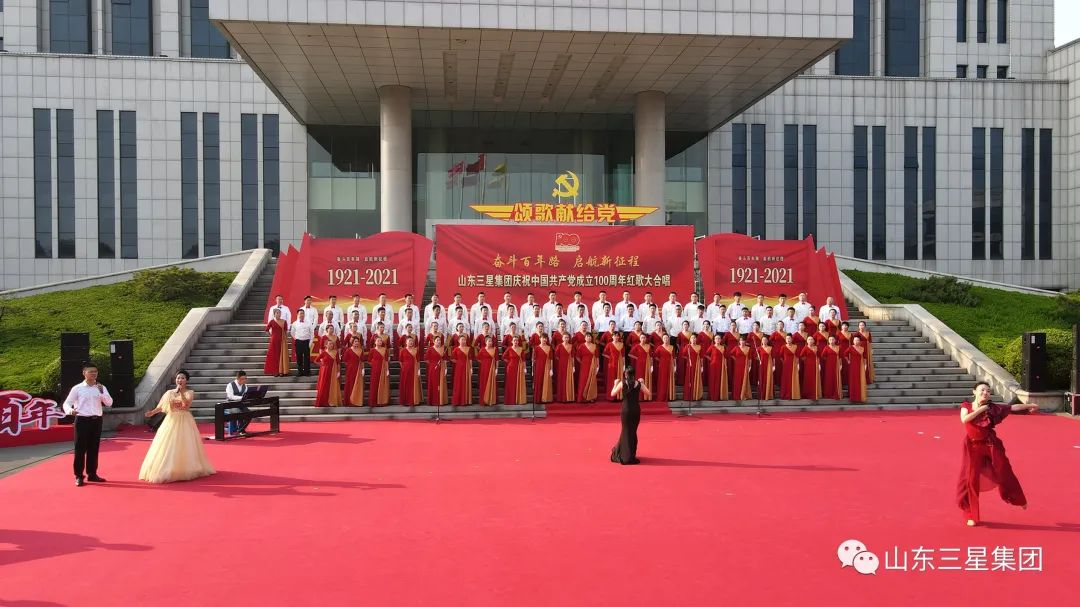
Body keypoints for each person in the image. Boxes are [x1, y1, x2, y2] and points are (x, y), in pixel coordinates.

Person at [957, 382, 1038, 526]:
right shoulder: (966, 406)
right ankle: (971, 515)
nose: (985, 393)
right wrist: (981, 409)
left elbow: (1012, 407)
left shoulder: (992, 408)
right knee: (970, 479)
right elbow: (965, 419)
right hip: (972, 447)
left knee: (1004, 470)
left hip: (991, 444)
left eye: (988, 391)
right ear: (974, 391)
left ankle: (1018, 499)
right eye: (982, 390)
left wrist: (1030, 405)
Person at [139, 370, 215, 484]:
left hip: (185, 420)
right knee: (167, 443)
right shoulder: (169, 393)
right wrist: (152, 412)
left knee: (185, 443)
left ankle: (186, 468)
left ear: (186, 380)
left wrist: (181, 393)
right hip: (171, 420)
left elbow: (186, 406)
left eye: (183, 378)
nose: (180, 380)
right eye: (178, 378)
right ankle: (166, 468)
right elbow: (162, 406)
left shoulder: (190, 392)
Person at [62, 364, 113, 486]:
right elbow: (66, 403)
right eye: (91, 372)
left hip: (96, 420)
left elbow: (109, 403)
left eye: (95, 372)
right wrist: (70, 411)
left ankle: (92, 474)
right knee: (80, 449)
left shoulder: (101, 387)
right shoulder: (77, 388)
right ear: (84, 373)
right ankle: (79, 476)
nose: (94, 374)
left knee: (93, 448)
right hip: (82, 420)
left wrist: (102, 392)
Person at [609, 365, 651, 465]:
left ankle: (625, 455)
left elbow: (612, 394)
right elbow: (648, 393)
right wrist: (643, 383)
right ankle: (629, 453)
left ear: (626, 374)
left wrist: (615, 384)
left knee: (625, 431)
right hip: (635, 410)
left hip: (626, 410)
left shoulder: (622, 383)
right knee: (632, 432)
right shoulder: (638, 384)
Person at [314, 337, 343, 407]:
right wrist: (322, 365)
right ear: (326, 345)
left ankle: (332, 401)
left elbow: (338, 363)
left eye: (332, 344)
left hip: (333, 372)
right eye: (329, 344)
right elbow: (316, 360)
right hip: (325, 372)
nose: (331, 345)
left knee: (332, 386)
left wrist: (338, 371)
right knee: (325, 386)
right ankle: (324, 401)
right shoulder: (324, 353)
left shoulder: (335, 352)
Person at [224, 370, 251, 436]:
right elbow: (230, 396)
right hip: (230, 405)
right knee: (240, 413)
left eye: (245, 379)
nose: (244, 380)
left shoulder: (245, 386)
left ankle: (241, 429)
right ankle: (240, 430)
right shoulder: (230, 385)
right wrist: (241, 398)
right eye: (242, 379)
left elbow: (245, 396)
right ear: (238, 378)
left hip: (240, 404)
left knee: (250, 414)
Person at [264, 308, 290, 377]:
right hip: (274, 341)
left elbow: (285, 331)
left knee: (281, 355)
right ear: (274, 314)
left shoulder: (284, 322)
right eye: (277, 313)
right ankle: (275, 371)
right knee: (274, 356)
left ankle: (282, 371)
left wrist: (285, 339)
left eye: (279, 313)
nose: (279, 314)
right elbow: (266, 330)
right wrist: (272, 336)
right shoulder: (272, 321)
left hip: (282, 341)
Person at [575, 333, 600, 403]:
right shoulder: (581, 346)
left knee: (592, 380)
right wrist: (582, 362)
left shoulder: (594, 346)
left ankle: (591, 397)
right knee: (583, 380)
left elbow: (597, 357)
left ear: (591, 338)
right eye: (587, 336)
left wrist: (598, 366)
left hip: (593, 365)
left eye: (590, 336)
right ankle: (582, 398)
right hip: (584, 366)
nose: (589, 338)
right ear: (585, 338)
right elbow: (577, 357)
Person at [502, 335, 528, 405]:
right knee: (510, 384)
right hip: (510, 368)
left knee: (518, 383)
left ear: (518, 342)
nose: (516, 342)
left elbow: (523, 360)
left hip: (519, 368)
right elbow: (503, 357)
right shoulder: (509, 349)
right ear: (512, 341)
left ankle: (519, 399)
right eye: (514, 340)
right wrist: (509, 362)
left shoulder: (521, 349)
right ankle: (510, 400)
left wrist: (525, 368)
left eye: (517, 340)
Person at [425, 335, 449, 406]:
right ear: (433, 341)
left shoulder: (443, 349)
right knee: (434, 383)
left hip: (442, 367)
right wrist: (433, 364)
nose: (439, 341)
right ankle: (433, 400)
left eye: (440, 340)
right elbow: (426, 360)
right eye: (437, 340)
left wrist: (445, 368)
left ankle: (441, 400)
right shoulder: (430, 349)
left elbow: (445, 360)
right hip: (433, 368)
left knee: (441, 383)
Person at [368, 336, 391, 406]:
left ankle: (382, 400)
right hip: (375, 369)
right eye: (378, 341)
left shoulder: (384, 349)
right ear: (375, 342)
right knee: (375, 384)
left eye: (380, 341)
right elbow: (369, 360)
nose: (379, 342)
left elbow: (386, 360)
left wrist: (387, 369)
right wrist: (374, 364)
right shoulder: (372, 350)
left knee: (383, 384)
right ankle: (374, 401)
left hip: (383, 369)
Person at [704, 334, 729, 401]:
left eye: (719, 338)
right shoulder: (712, 347)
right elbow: (706, 354)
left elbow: (726, 357)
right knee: (713, 379)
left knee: (719, 380)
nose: (718, 340)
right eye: (716, 338)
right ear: (714, 340)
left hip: (721, 366)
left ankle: (719, 396)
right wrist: (711, 359)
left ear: (721, 340)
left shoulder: (723, 347)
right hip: (713, 365)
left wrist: (725, 365)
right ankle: (712, 396)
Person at [553, 333, 576, 403]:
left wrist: (573, 366)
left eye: (567, 337)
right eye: (565, 337)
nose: (566, 339)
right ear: (562, 338)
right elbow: (556, 356)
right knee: (562, 380)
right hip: (561, 366)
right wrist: (562, 361)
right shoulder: (559, 346)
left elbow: (572, 357)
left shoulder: (571, 346)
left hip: (569, 365)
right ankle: (561, 398)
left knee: (569, 380)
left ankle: (569, 397)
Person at [343, 336, 365, 407]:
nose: (356, 342)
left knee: (358, 384)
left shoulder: (361, 350)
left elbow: (362, 361)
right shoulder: (348, 350)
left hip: (359, 369)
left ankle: (357, 401)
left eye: (357, 341)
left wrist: (363, 369)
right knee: (350, 384)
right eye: (355, 341)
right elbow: (345, 360)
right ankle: (350, 401)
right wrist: (350, 366)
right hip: (350, 370)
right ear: (352, 342)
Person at [653, 333, 676, 402]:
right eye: (664, 338)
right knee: (663, 380)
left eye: (667, 338)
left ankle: (670, 396)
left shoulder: (672, 347)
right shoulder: (659, 347)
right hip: (662, 365)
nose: (666, 339)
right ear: (662, 339)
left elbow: (674, 357)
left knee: (670, 379)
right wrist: (661, 360)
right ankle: (662, 396)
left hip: (670, 365)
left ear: (669, 339)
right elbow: (655, 356)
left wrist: (675, 366)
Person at [532, 333, 555, 404]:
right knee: (539, 382)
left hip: (547, 367)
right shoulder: (536, 348)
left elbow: (551, 359)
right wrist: (533, 370)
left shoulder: (549, 348)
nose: (544, 339)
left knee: (546, 382)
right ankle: (538, 399)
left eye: (545, 338)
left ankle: (546, 398)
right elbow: (534, 359)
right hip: (538, 367)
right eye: (543, 338)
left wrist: (551, 369)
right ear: (540, 339)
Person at [604, 331, 626, 402]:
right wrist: (611, 360)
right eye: (614, 336)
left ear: (619, 337)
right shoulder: (609, 344)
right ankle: (612, 396)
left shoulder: (622, 344)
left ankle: (620, 396)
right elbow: (605, 354)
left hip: (620, 364)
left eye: (617, 336)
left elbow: (623, 356)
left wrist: (624, 364)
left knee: (620, 378)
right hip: (611, 364)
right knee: (612, 379)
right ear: (612, 337)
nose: (616, 337)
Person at [845, 335, 868, 403]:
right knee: (853, 380)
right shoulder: (850, 347)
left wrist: (865, 364)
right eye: (855, 340)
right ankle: (853, 396)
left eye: (858, 340)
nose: (856, 341)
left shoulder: (862, 348)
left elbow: (865, 357)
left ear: (860, 341)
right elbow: (845, 354)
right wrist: (848, 361)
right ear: (853, 341)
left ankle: (860, 396)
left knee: (860, 380)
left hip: (860, 365)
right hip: (852, 366)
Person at [477, 336, 499, 406]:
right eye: (489, 341)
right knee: (484, 383)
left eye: (491, 341)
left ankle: (491, 399)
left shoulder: (494, 350)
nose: (490, 342)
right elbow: (478, 359)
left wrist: (496, 369)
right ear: (485, 342)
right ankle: (484, 400)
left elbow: (497, 360)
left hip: (492, 369)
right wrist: (484, 363)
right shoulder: (482, 350)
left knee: (492, 382)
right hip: (484, 369)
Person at [682, 333, 704, 401]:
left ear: (696, 339)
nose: (693, 339)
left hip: (697, 365)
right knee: (689, 379)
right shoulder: (687, 346)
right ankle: (689, 396)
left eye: (694, 338)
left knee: (696, 378)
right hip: (690, 365)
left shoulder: (699, 347)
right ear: (690, 339)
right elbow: (683, 355)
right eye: (692, 338)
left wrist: (702, 366)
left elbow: (701, 357)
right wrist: (688, 360)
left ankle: (697, 395)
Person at [729, 337, 753, 401]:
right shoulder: (736, 348)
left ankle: (744, 394)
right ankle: (736, 395)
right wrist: (735, 359)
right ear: (739, 341)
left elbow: (750, 358)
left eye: (743, 340)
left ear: (745, 342)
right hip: (737, 366)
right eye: (741, 340)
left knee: (744, 379)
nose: (742, 342)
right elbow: (731, 354)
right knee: (737, 379)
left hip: (745, 365)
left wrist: (750, 366)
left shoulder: (748, 348)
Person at [291, 309, 314, 376]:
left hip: (306, 342)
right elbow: (292, 333)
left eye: (303, 313)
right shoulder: (295, 323)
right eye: (300, 313)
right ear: (297, 315)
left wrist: (310, 343)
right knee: (299, 357)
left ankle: (307, 372)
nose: (302, 315)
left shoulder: (309, 323)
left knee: (307, 358)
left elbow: (312, 333)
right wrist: (297, 339)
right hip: (298, 342)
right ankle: (300, 372)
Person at [451, 338, 474, 406]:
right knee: (458, 383)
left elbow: (470, 359)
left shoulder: (469, 348)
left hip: (467, 367)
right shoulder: (456, 349)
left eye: (464, 340)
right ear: (459, 341)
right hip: (459, 368)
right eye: (462, 340)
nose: (464, 341)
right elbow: (452, 358)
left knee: (466, 382)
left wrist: (471, 368)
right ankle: (458, 400)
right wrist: (458, 362)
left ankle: (466, 400)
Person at [820, 335, 844, 400]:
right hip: (829, 365)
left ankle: (836, 393)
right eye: (830, 339)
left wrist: (841, 364)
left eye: (833, 339)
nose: (831, 341)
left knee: (836, 378)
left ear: (835, 340)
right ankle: (828, 393)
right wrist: (828, 360)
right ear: (828, 340)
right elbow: (822, 356)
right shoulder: (826, 347)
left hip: (836, 365)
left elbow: (840, 357)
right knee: (829, 378)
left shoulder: (838, 347)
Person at [778, 335, 801, 400]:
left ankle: (794, 394)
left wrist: (797, 364)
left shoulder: (795, 346)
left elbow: (797, 356)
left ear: (792, 339)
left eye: (789, 338)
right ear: (785, 340)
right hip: (786, 366)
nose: (788, 340)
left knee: (794, 378)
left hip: (794, 365)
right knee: (786, 379)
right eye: (787, 338)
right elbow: (780, 356)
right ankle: (786, 394)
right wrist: (784, 362)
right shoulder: (783, 347)